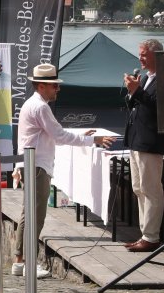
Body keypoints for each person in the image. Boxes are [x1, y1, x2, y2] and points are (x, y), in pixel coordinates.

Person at [14, 63, 116, 275]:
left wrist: (83, 137)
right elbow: (59, 136)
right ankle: (28, 264)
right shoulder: (41, 107)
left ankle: (20, 261)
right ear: (41, 86)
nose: (58, 89)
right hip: (37, 166)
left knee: (28, 213)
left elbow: (54, 134)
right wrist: (93, 140)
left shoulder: (31, 104)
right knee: (35, 216)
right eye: (54, 85)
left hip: (30, 164)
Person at [123, 38, 164, 252]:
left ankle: (151, 237)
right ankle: (145, 234)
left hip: (150, 142)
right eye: (140, 54)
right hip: (136, 140)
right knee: (138, 188)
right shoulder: (145, 78)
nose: (140, 58)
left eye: (143, 54)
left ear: (155, 55)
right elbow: (137, 106)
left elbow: (161, 107)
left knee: (151, 189)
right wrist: (132, 91)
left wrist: (138, 91)